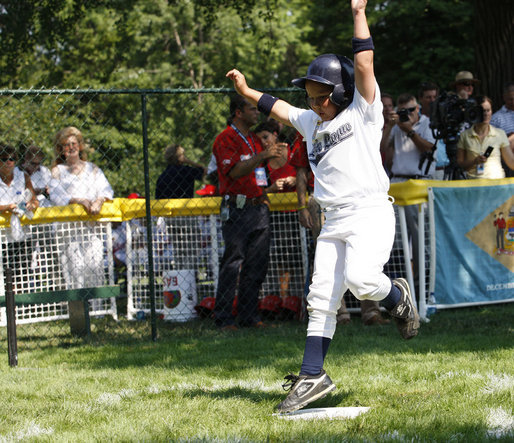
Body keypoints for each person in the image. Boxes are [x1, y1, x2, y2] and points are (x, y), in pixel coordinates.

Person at [226, 0, 419, 413]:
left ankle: (397, 298)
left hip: (369, 212)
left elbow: (364, 65)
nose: (315, 104)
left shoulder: (363, 113)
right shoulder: (313, 121)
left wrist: (358, 13)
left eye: (321, 96)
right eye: (311, 97)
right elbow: (277, 106)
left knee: (363, 279)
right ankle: (313, 374)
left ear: (341, 92)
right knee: (321, 298)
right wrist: (247, 92)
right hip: (333, 219)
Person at [212, 95, 281, 330]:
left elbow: (265, 170)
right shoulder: (225, 139)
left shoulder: (253, 138)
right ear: (238, 113)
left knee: (256, 264)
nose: (257, 113)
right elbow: (234, 172)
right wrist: (261, 155)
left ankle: (249, 317)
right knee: (233, 263)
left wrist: (273, 152)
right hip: (237, 209)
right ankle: (223, 317)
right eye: (252, 109)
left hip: (258, 206)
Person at [50, 126, 114, 289]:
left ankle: (97, 309)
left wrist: (98, 200)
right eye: (66, 145)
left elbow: (106, 189)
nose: (71, 148)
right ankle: (78, 307)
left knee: (95, 263)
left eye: (74, 143)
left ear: (80, 146)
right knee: (75, 267)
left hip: (92, 225)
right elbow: (56, 196)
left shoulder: (92, 168)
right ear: (61, 149)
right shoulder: (58, 171)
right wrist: (78, 201)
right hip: (69, 229)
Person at [457, 96, 514, 179]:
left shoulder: (500, 134)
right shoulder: (464, 135)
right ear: (475, 112)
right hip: (474, 186)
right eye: (482, 111)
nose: (486, 114)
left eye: (488, 110)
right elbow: (460, 165)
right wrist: (474, 161)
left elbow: (511, 162)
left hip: (497, 184)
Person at [490, 81, 514, 177]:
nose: (513, 102)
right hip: (507, 162)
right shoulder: (496, 118)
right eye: (510, 99)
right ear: (504, 98)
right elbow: (490, 142)